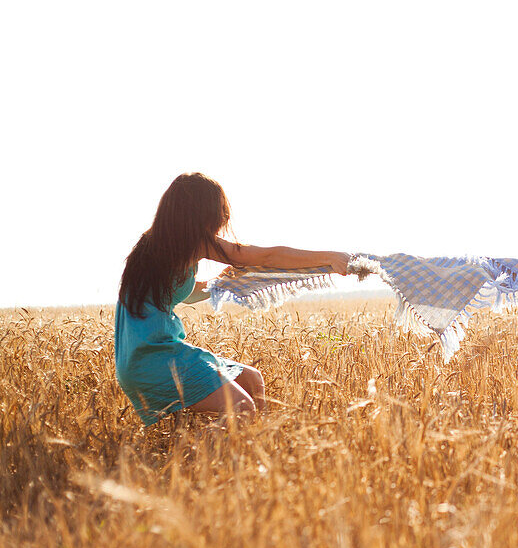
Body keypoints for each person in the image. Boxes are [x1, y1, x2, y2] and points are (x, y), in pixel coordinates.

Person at [115, 172, 351, 426]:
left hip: (152, 353)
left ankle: (252, 446)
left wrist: (220, 284)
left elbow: (189, 293)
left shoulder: (159, 245)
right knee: (242, 408)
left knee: (252, 379)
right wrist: (329, 257)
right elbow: (266, 257)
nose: (220, 221)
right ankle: (197, 458)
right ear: (200, 214)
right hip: (153, 358)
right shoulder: (189, 244)